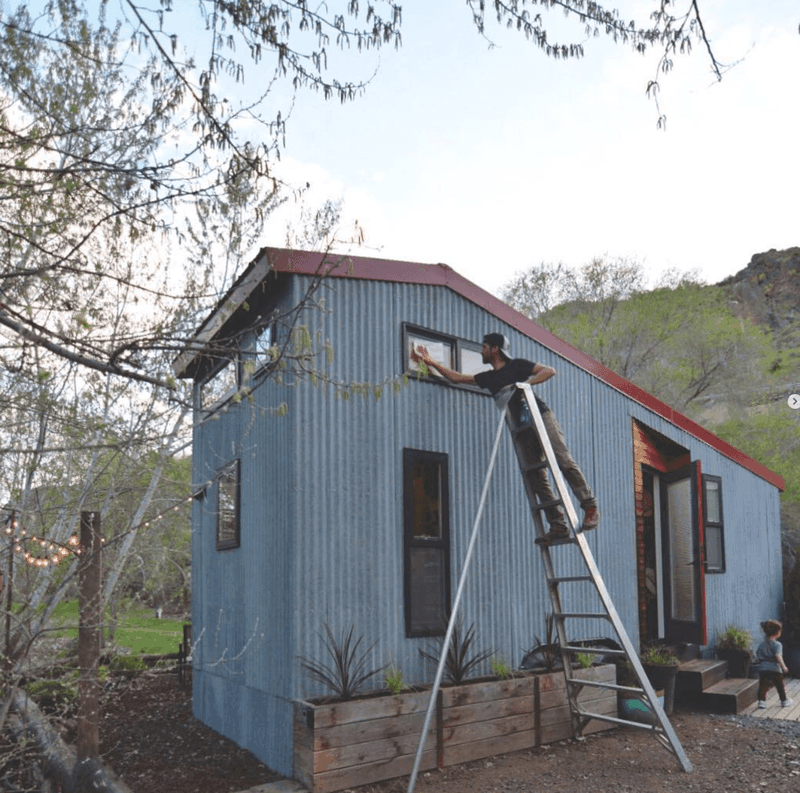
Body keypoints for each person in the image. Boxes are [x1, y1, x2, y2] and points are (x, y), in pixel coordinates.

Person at [410, 332, 599, 542]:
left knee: (562, 460)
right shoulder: (489, 378)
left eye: (484, 347)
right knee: (536, 477)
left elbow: (549, 371)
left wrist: (524, 385)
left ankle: (590, 507)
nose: (481, 351)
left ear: (495, 350)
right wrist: (428, 361)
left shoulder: (517, 365)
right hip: (522, 428)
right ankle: (558, 525)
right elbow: (455, 377)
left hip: (540, 416)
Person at [756, 619, 792, 708]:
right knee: (780, 685)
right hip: (775, 668)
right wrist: (783, 666)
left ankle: (761, 702)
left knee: (763, 686)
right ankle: (784, 700)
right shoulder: (777, 644)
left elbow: (758, 655)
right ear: (777, 632)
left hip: (763, 668)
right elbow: (778, 656)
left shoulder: (761, 644)